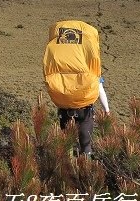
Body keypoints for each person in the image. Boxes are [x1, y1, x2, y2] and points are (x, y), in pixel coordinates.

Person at [42, 20, 110, 157]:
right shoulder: (90, 67)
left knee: (66, 145)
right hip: (85, 111)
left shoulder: (58, 57)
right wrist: (106, 110)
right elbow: (100, 88)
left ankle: (65, 171)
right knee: (86, 144)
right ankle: (86, 170)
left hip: (64, 110)